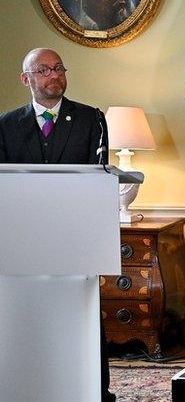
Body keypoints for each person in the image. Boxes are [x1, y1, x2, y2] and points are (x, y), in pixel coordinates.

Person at [0, 48, 114, 401]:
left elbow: (98, 177)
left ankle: (94, 390)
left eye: (59, 68)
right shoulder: (5, 125)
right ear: (27, 79)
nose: (55, 75)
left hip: (75, 243)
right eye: (45, 70)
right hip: (22, 245)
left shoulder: (91, 119)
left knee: (83, 321)